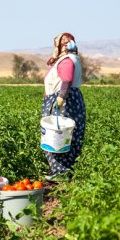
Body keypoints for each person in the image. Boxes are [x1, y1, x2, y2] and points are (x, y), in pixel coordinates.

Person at [42, 32, 86, 180]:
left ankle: (60, 172)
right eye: (63, 41)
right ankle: (66, 171)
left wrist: (60, 98)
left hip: (64, 100)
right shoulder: (72, 58)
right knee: (68, 134)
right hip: (72, 98)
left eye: (68, 41)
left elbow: (66, 80)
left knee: (57, 135)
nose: (66, 43)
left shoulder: (67, 60)